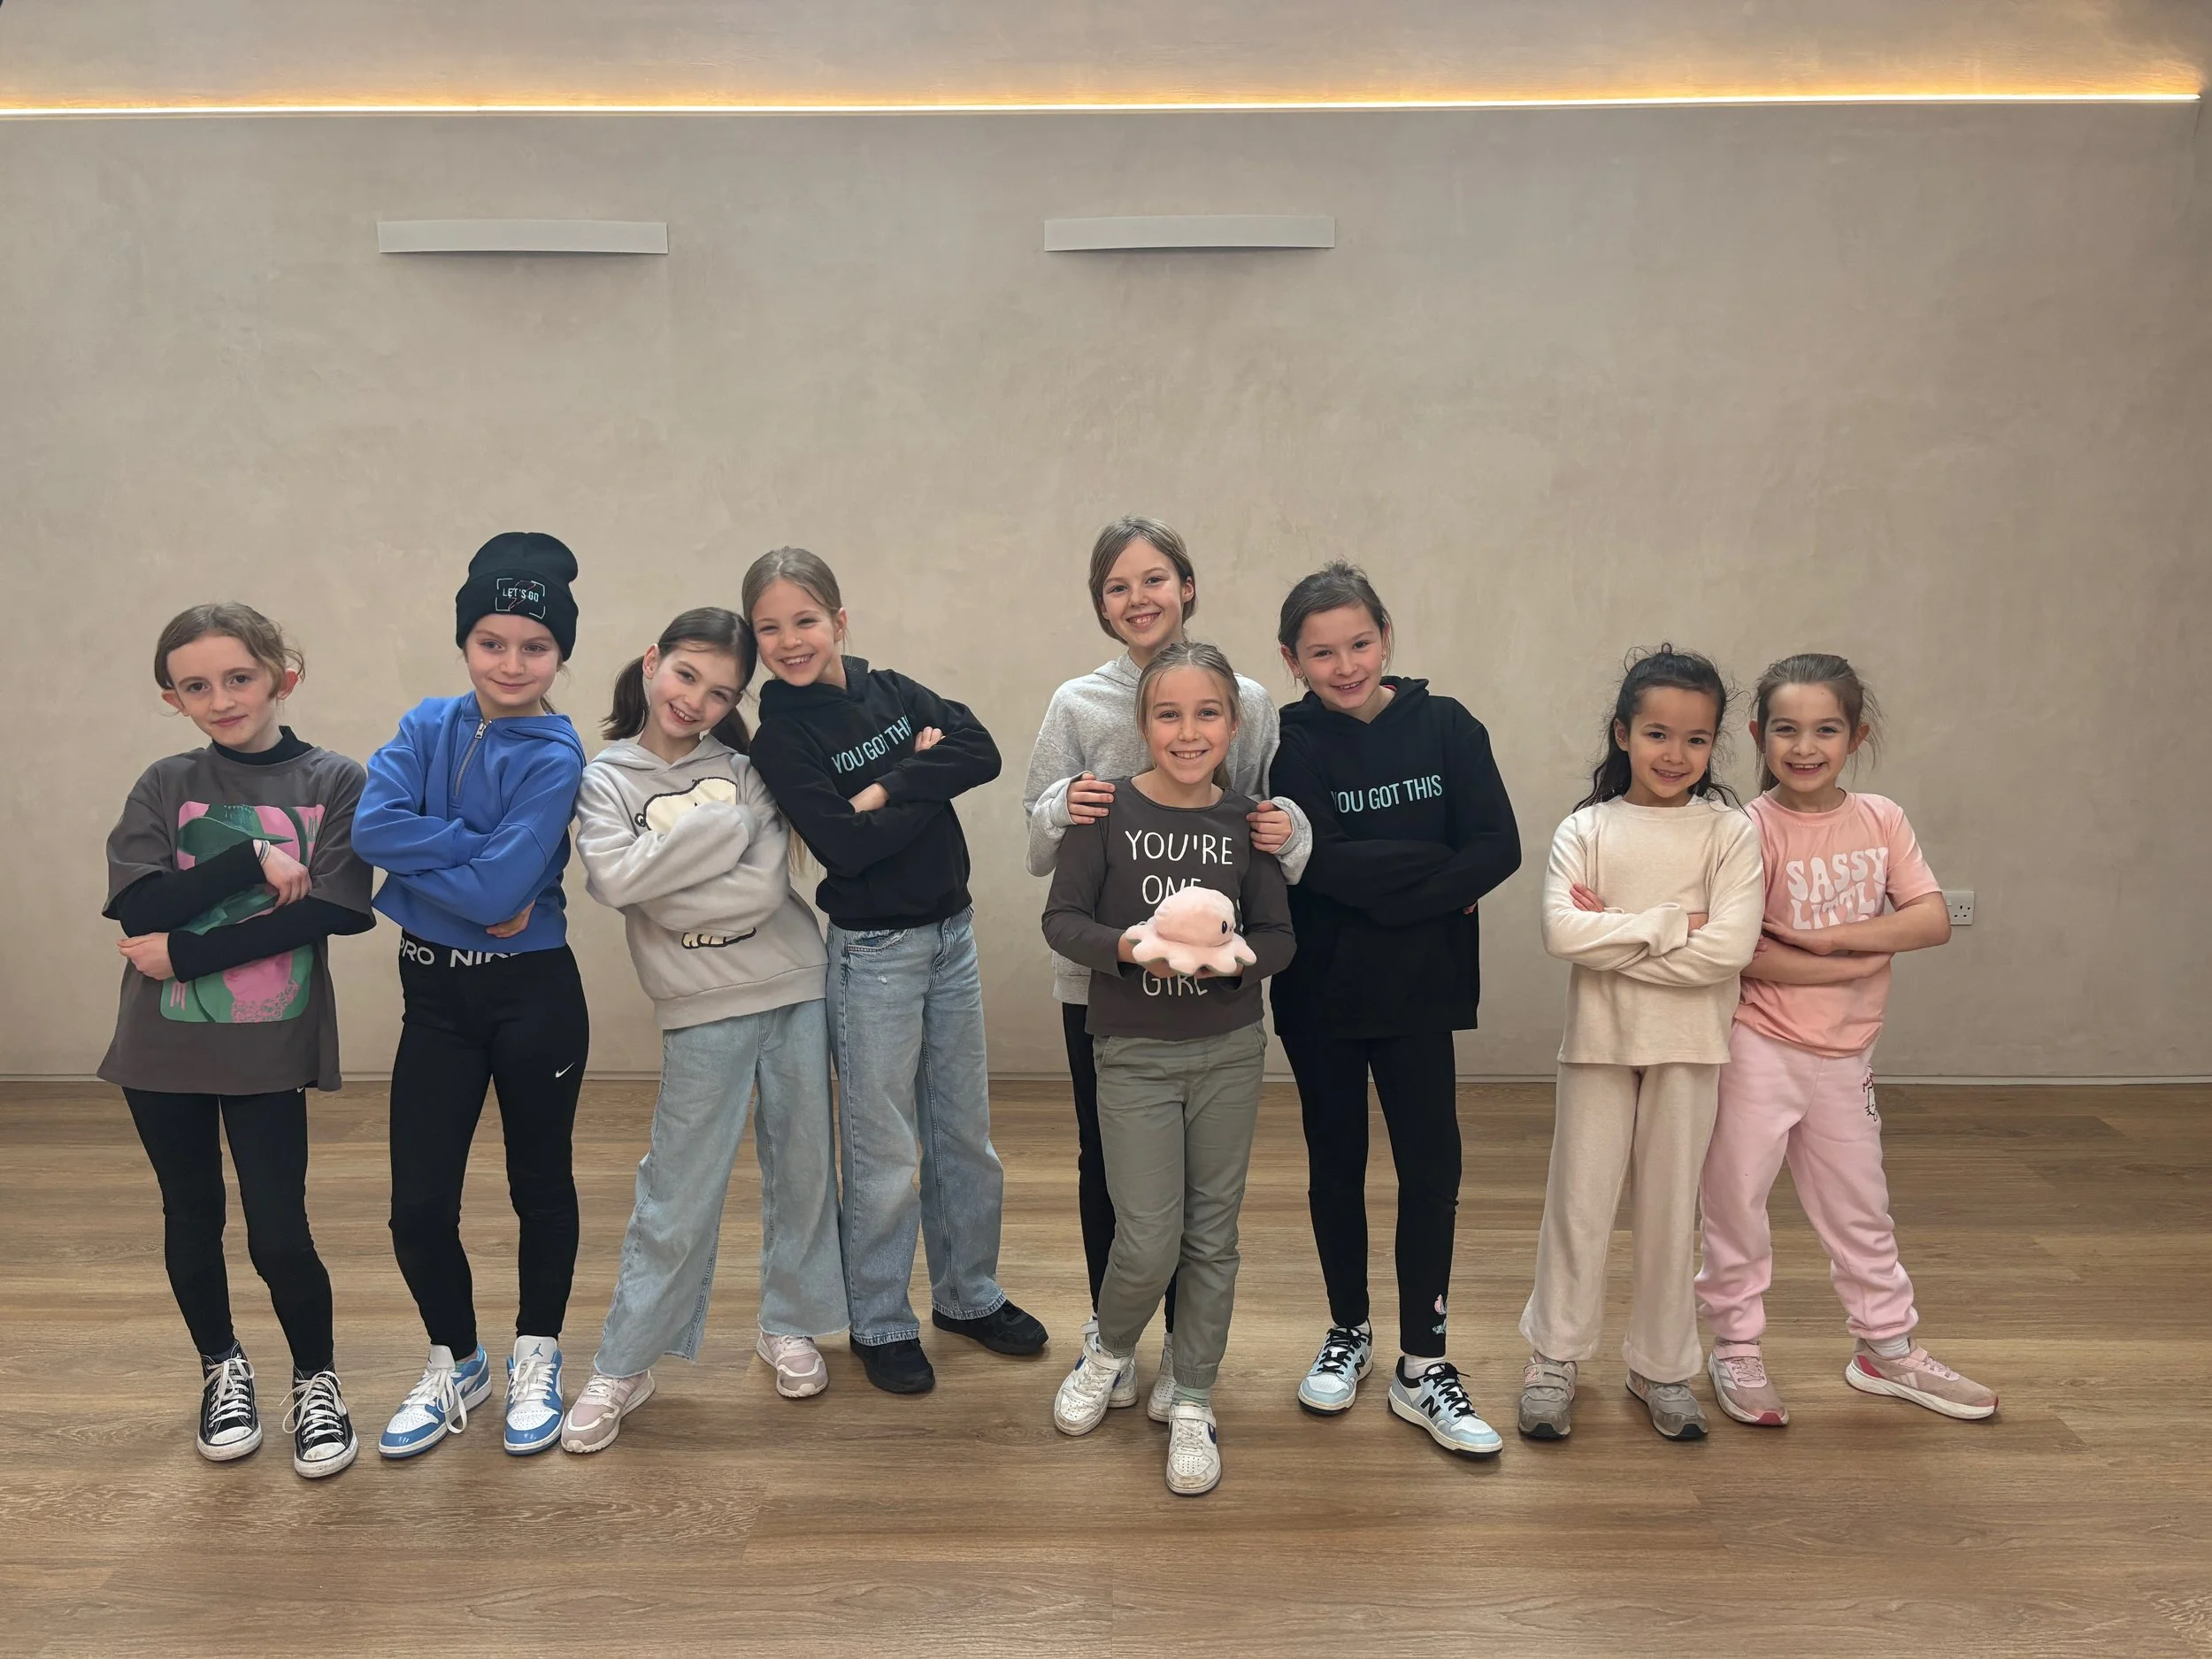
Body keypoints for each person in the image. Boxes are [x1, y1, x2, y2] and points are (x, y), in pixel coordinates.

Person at [1021, 515, 1308, 1417]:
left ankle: (1190, 1366)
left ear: (1186, 585)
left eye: (1154, 579)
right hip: (1109, 990)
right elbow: (1042, 843)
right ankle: (1111, 1346)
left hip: (1216, 1009)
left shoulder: (1249, 698)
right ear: (1100, 604)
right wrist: (1059, 807)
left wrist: (1289, 833)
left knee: (1203, 1212)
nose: (1137, 598)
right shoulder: (1076, 703)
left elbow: (1254, 819)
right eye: (1117, 586)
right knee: (1113, 1173)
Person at [744, 546, 1045, 1395]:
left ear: (840, 620)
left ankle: (968, 1294)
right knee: (883, 1147)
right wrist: (920, 778)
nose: (790, 640)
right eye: (771, 628)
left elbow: (980, 751)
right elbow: (842, 846)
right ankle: (879, 1316)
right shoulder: (781, 737)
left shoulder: (894, 686)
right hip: (874, 953)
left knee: (963, 1132)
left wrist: (881, 791)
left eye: (805, 620)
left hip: (954, 935)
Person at [559, 607, 846, 1454]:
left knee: (802, 1167)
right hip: (697, 1005)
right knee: (678, 1189)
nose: (698, 701)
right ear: (653, 662)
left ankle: (787, 1320)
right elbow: (615, 880)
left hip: (794, 984)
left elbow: (760, 894)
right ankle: (628, 1358)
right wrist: (718, 833)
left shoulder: (751, 769)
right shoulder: (605, 777)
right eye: (687, 675)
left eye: (723, 693)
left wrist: (674, 879)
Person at [101, 603, 375, 1478]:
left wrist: (183, 952)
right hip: (161, 1050)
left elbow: (333, 910)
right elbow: (137, 905)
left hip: (267, 1048)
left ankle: (316, 1379)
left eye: (238, 677)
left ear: (280, 676)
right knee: (191, 1216)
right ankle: (222, 1367)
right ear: (172, 697)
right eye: (195, 686)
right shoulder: (162, 782)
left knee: (278, 1232)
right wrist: (250, 861)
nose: (221, 698)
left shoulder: (334, 782)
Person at [1697, 653, 1995, 1424]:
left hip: (1846, 1053)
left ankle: (1886, 1349)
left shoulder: (1882, 818)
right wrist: (1848, 964)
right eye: (1787, 729)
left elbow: (1930, 919)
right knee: (1735, 1203)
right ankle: (1735, 1345)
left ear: (1856, 734)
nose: (1805, 747)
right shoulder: (1746, 829)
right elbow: (1740, 953)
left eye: (1826, 729)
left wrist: (1829, 941)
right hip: (1758, 1047)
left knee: (1862, 1208)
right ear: (1760, 736)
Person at [1265, 564, 1520, 1456]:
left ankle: (1424, 1363)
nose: (1344, 666)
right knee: (1335, 1165)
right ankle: (1349, 1331)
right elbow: (1312, 862)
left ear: (1387, 639)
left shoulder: (1448, 726)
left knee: (1430, 1169)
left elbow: (1498, 845)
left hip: (1423, 988)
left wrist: (1375, 882)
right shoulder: (1284, 743)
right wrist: (1424, 875)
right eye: (1322, 652)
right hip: (1318, 988)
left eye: (1360, 644)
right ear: (1290, 659)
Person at [353, 532, 590, 1458]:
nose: (512, 663)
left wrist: (421, 872)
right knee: (417, 1206)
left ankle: (538, 1350)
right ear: (465, 644)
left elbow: (500, 897)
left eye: (534, 647)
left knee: (539, 1185)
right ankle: (457, 1359)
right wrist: (469, 861)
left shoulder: (557, 753)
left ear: (560, 655)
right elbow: (374, 827)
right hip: (436, 1002)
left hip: (533, 995)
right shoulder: (424, 725)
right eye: (492, 642)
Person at [1518, 647, 1763, 1441]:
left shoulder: (1731, 832)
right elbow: (1563, 932)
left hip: (1692, 1048)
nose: (1676, 754)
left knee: (1670, 1212)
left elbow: (1728, 950)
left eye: (1697, 740)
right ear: (1623, 733)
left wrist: (1617, 931)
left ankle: (1662, 1364)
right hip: (1597, 1045)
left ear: (1716, 744)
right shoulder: (1584, 828)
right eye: (1658, 733)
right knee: (1579, 1207)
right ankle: (1554, 1355)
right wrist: (1670, 922)